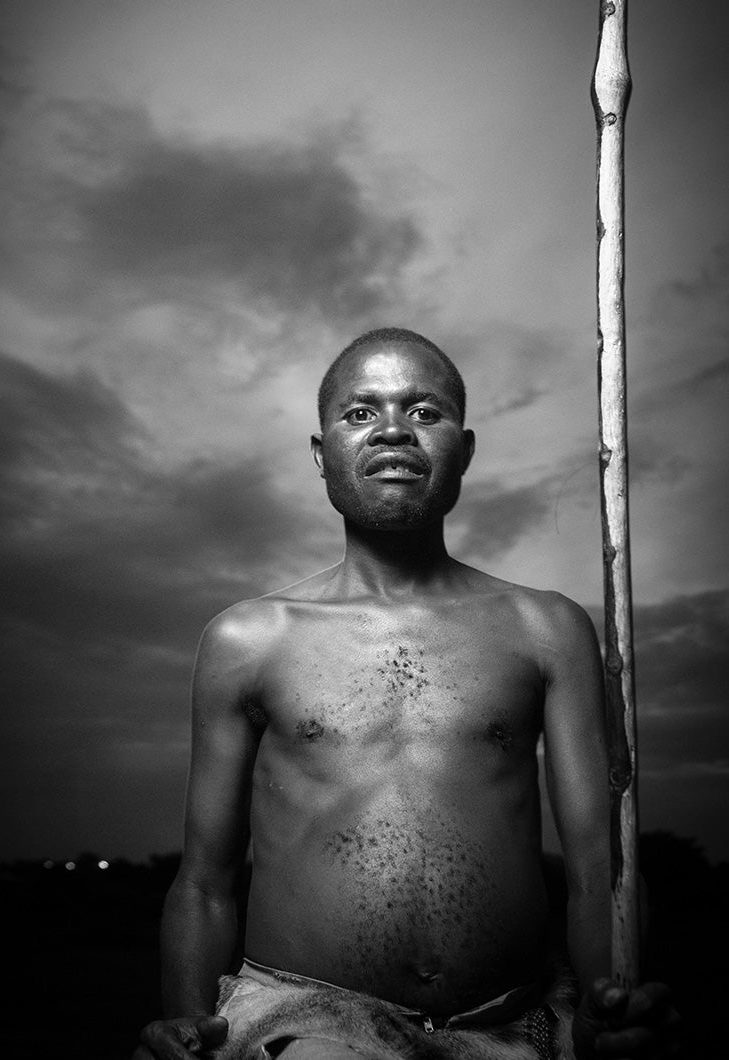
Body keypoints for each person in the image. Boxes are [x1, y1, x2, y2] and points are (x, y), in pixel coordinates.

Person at [134, 328, 678, 1060]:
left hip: (515, 1021)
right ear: (322, 455)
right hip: (304, 1019)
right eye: (361, 413)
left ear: (465, 450)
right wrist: (185, 1023)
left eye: (425, 411)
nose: (393, 428)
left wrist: (609, 1006)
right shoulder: (247, 640)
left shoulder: (544, 628)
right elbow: (205, 882)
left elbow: (598, 873)